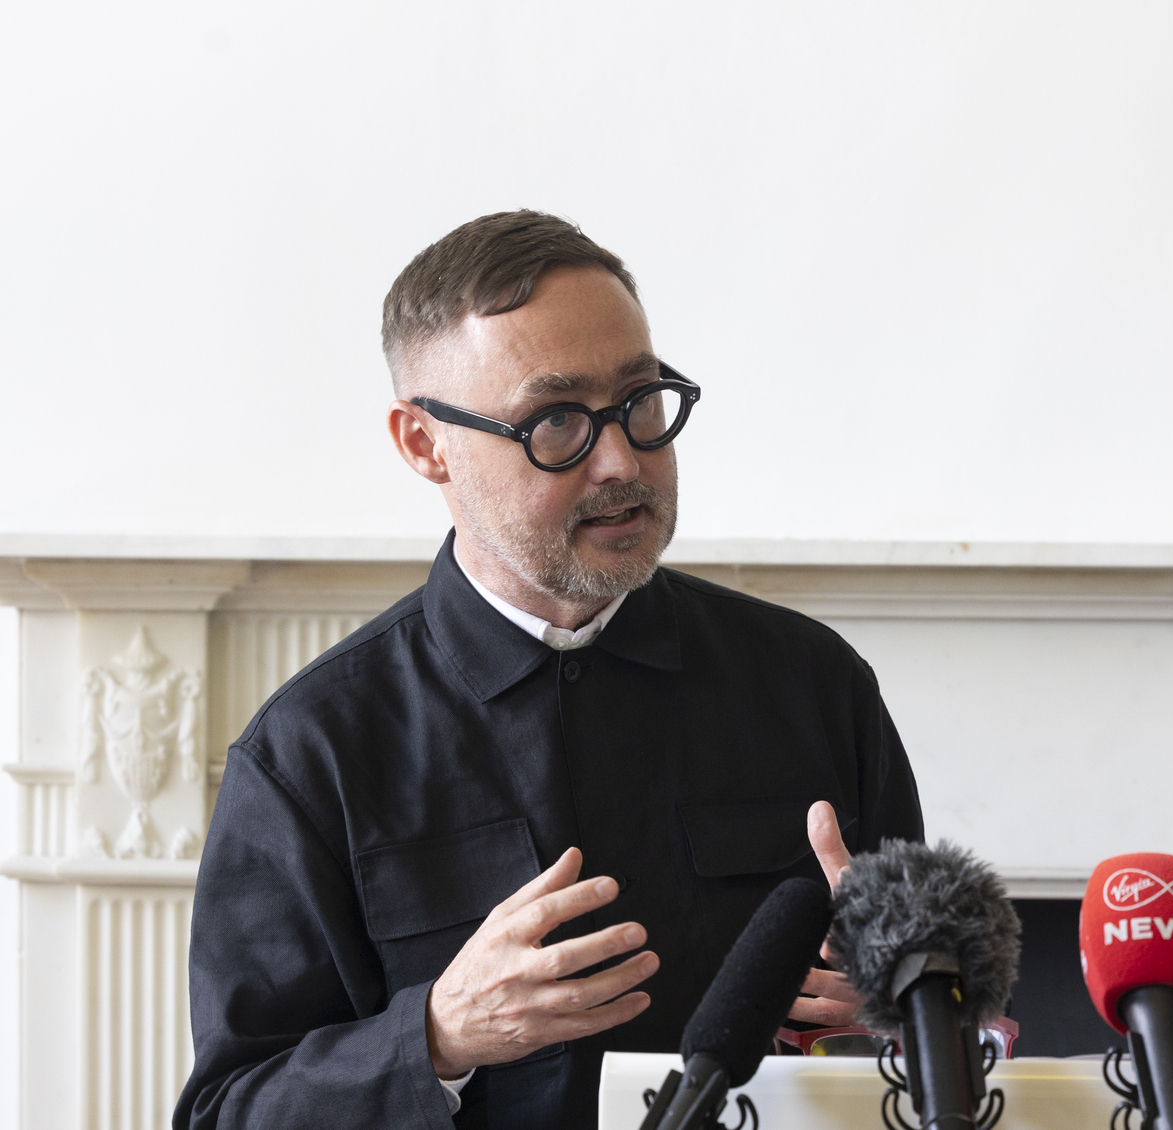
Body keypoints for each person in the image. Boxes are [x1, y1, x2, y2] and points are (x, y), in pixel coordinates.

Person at [175, 211, 923, 1130]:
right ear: (425, 445)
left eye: (641, 400)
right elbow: (228, 1111)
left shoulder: (815, 687)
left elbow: (953, 1029)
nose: (622, 460)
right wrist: (437, 1037)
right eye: (556, 421)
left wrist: (901, 1019)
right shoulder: (309, 753)